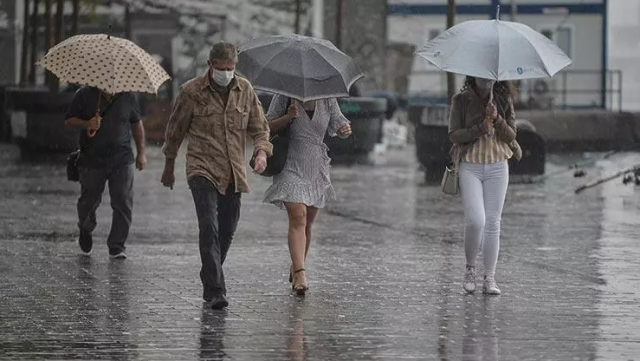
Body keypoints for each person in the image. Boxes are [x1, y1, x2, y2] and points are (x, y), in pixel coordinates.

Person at [160, 42, 272, 310]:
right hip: (202, 168)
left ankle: (210, 271)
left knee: (228, 230)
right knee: (208, 226)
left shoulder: (244, 90)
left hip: (234, 171)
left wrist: (261, 153)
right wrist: (168, 166)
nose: (225, 73)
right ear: (210, 65)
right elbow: (175, 131)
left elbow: (260, 129)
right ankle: (215, 290)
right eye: (220, 68)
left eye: (230, 68)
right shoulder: (191, 92)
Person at [264, 94, 352, 295]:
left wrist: (344, 130)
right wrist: (287, 117)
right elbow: (266, 126)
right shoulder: (284, 96)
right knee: (298, 216)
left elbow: (339, 123)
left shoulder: (327, 98)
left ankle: (296, 265)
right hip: (290, 165)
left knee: (308, 223)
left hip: (316, 167)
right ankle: (301, 273)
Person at [448, 77, 522, 295]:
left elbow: (512, 134)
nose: (485, 81)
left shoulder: (502, 98)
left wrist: (497, 118)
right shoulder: (460, 100)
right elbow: (454, 135)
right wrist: (481, 127)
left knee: (492, 222)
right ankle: (470, 268)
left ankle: (489, 276)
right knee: (475, 220)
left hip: (498, 165)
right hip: (470, 164)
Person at [64, 86, 147, 259]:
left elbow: (137, 123)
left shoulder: (129, 96)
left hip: (122, 158)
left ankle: (117, 245)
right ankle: (85, 228)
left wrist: (141, 153)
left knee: (123, 201)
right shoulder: (84, 94)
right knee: (89, 200)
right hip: (92, 159)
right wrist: (87, 123)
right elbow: (69, 120)